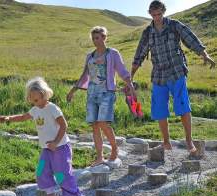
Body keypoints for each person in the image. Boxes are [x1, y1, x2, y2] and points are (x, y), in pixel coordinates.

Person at [131, 0, 215, 154]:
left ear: (164, 12)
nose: (157, 17)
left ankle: (189, 142)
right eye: (154, 14)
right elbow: (140, 54)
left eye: (159, 14)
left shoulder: (174, 25)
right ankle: (166, 143)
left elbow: (191, 39)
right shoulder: (148, 32)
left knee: (183, 107)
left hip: (177, 72)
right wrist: (130, 76)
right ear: (150, 13)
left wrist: (205, 55)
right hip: (159, 75)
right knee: (159, 109)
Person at [0, 77, 82, 196]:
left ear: (44, 95)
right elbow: (24, 117)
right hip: (47, 149)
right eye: (32, 100)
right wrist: (9, 118)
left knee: (63, 175)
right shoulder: (35, 109)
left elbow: (64, 125)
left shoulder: (52, 108)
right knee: (41, 171)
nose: (35, 103)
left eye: (37, 100)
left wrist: (56, 142)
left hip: (60, 148)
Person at [67, 26, 135, 166]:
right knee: (95, 125)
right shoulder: (90, 56)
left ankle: (114, 149)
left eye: (97, 38)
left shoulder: (112, 53)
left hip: (107, 93)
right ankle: (99, 157)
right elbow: (85, 75)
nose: (95, 41)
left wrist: (130, 84)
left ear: (104, 37)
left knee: (103, 123)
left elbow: (121, 70)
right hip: (92, 93)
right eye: (93, 38)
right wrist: (73, 90)